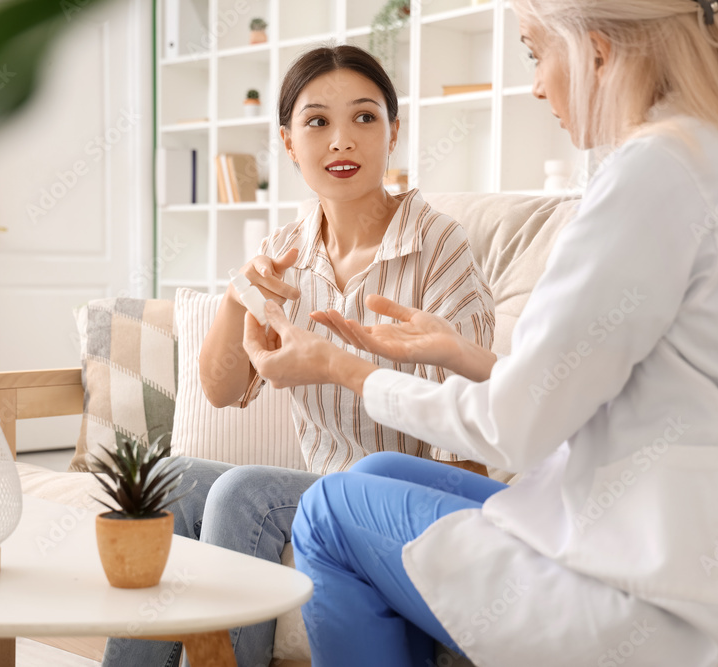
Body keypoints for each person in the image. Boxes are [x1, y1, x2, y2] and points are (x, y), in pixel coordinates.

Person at [242, 1, 718, 666]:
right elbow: (609, 385)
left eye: (535, 52)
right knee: (380, 470)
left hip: (670, 601)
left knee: (328, 510)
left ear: (597, 52)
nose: (534, 84)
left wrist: (341, 367)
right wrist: (463, 354)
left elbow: (516, 428)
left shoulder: (656, 171)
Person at [101, 45, 494, 667]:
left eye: (365, 118)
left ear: (395, 131)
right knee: (167, 478)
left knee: (241, 493)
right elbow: (223, 390)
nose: (342, 140)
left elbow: (469, 442)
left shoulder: (438, 245)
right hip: (316, 490)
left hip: (400, 500)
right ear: (288, 142)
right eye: (317, 122)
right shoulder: (286, 250)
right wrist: (238, 294)